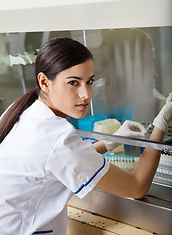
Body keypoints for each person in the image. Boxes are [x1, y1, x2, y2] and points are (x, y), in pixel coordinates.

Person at [0, 37, 171, 235]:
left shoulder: (22, 110)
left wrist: (109, 142)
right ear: (44, 82)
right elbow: (136, 187)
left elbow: (57, 161)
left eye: (89, 81)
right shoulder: (58, 138)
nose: (85, 94)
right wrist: (161, 122)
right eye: (73, 83)